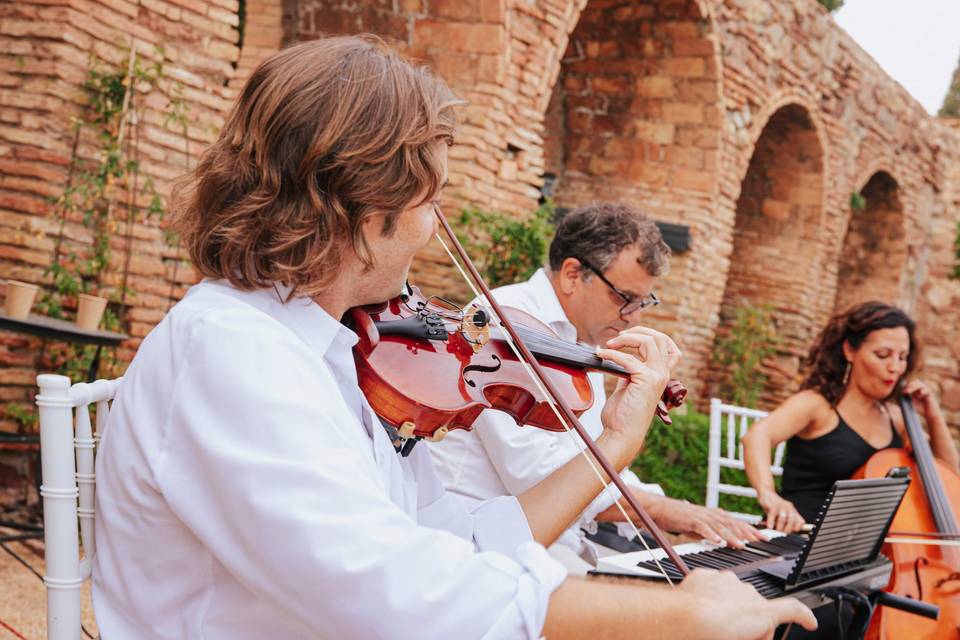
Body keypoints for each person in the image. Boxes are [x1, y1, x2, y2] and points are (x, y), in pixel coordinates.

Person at [91, 35, 815, 639]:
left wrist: (616, 444)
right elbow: (402, 598)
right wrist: (679, 618)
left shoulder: (331, 351)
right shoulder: (235, 351)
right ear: (365, 206)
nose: (436, 228)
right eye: (430, 200)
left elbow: (452, 541)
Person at [430, 202, 761, 572]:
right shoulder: (500, 321)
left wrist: (684, 512)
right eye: (625, 299)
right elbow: (539, 473)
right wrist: (666, 513)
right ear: (573, 274)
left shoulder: (582, 341)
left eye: (642, 302)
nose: (634, 317)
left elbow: (589, 456)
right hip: (479, 544)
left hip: (555, 540)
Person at [743, 301, 960, 532]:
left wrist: (932, 414)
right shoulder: (818, 404)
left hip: (864, 551)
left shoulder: (896, 418)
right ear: (850, 351)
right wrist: (769, 494)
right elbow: (757, 436)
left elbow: (946, 472)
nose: (895, 367)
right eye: (883, 355)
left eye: (902, 357)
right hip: (800, 539)